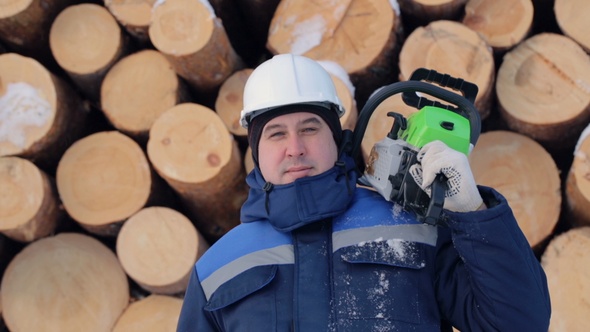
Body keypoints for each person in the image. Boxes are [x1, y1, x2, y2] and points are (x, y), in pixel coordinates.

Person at [177, 54, 551, 331]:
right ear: (257, 152)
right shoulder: (218, 269)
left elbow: (519, 321)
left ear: (336, 139)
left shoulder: (411, 226)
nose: (295, 147)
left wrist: (472, 211)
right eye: (276, 133)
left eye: (310, 128)